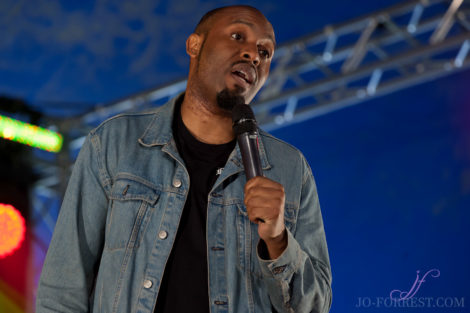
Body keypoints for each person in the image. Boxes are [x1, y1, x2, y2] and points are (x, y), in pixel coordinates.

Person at [36, 5, 332, 313]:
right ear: (195, 45)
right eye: (237, 36)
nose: (253, 55)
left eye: (265, 52)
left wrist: (278, 240)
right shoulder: (115, 143)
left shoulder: (289, 168)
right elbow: (62, 290)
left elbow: (314, 307)